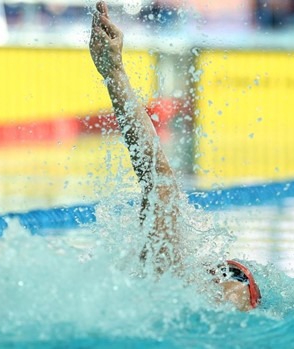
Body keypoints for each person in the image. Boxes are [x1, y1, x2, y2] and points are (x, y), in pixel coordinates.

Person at [89, 1, 261, 311]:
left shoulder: (170, 292)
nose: (221, 279)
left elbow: (158, 177)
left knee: (161, 186)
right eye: (223, 274)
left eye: (230, 277)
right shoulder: (164, 291)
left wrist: (114, 72)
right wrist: (113, 71)